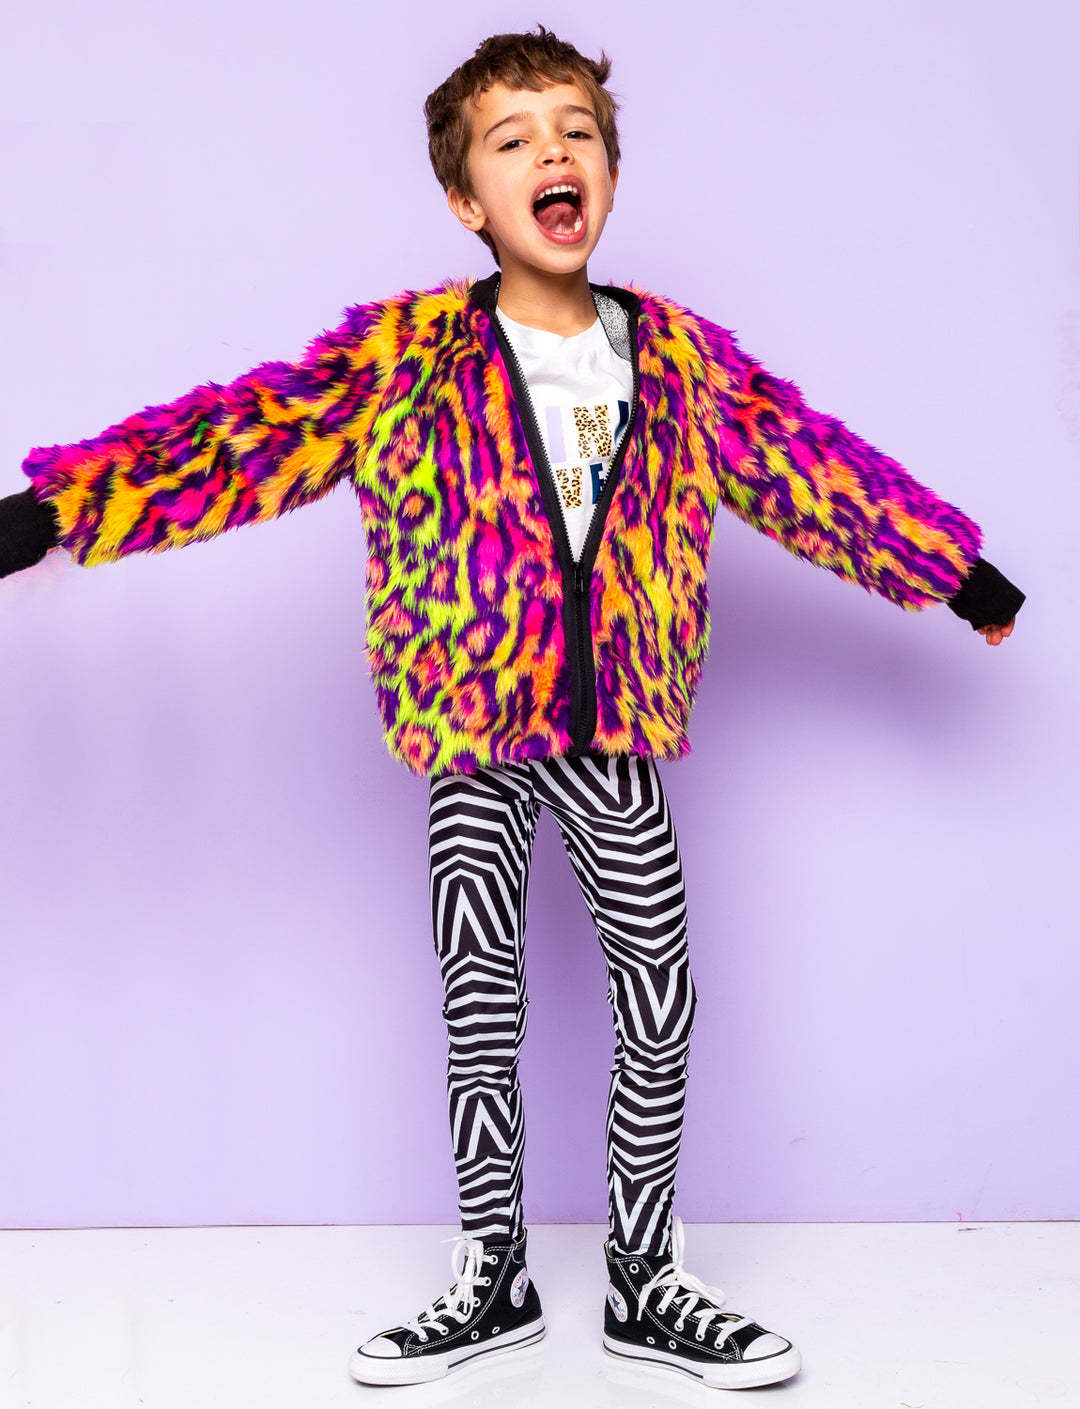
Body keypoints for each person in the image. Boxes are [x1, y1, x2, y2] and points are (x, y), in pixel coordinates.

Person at [0, 25, 1023, 1394]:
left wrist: (955, 568)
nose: (553, 149)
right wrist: (63, 505)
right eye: (513, 136)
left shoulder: (681, 361)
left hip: (621, 743)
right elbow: (234, 436)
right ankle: (493, 1273)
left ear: (608, 171)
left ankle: (649, 1278)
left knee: (659, 994)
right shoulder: (409, 356)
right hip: (474, 731)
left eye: (577, 129)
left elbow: (810, 465)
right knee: (480, 1000)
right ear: (466, 202)